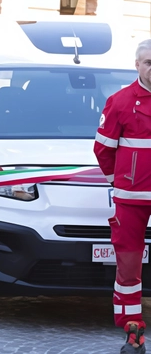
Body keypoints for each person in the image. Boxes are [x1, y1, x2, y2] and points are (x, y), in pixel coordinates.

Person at [93, 38, 151, 354]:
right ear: (137, 65)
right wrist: (121, 180)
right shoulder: (121, 101)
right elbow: (103, 149)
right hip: (132, 198)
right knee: (128, 267)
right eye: (148, 62)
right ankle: (133, 333)